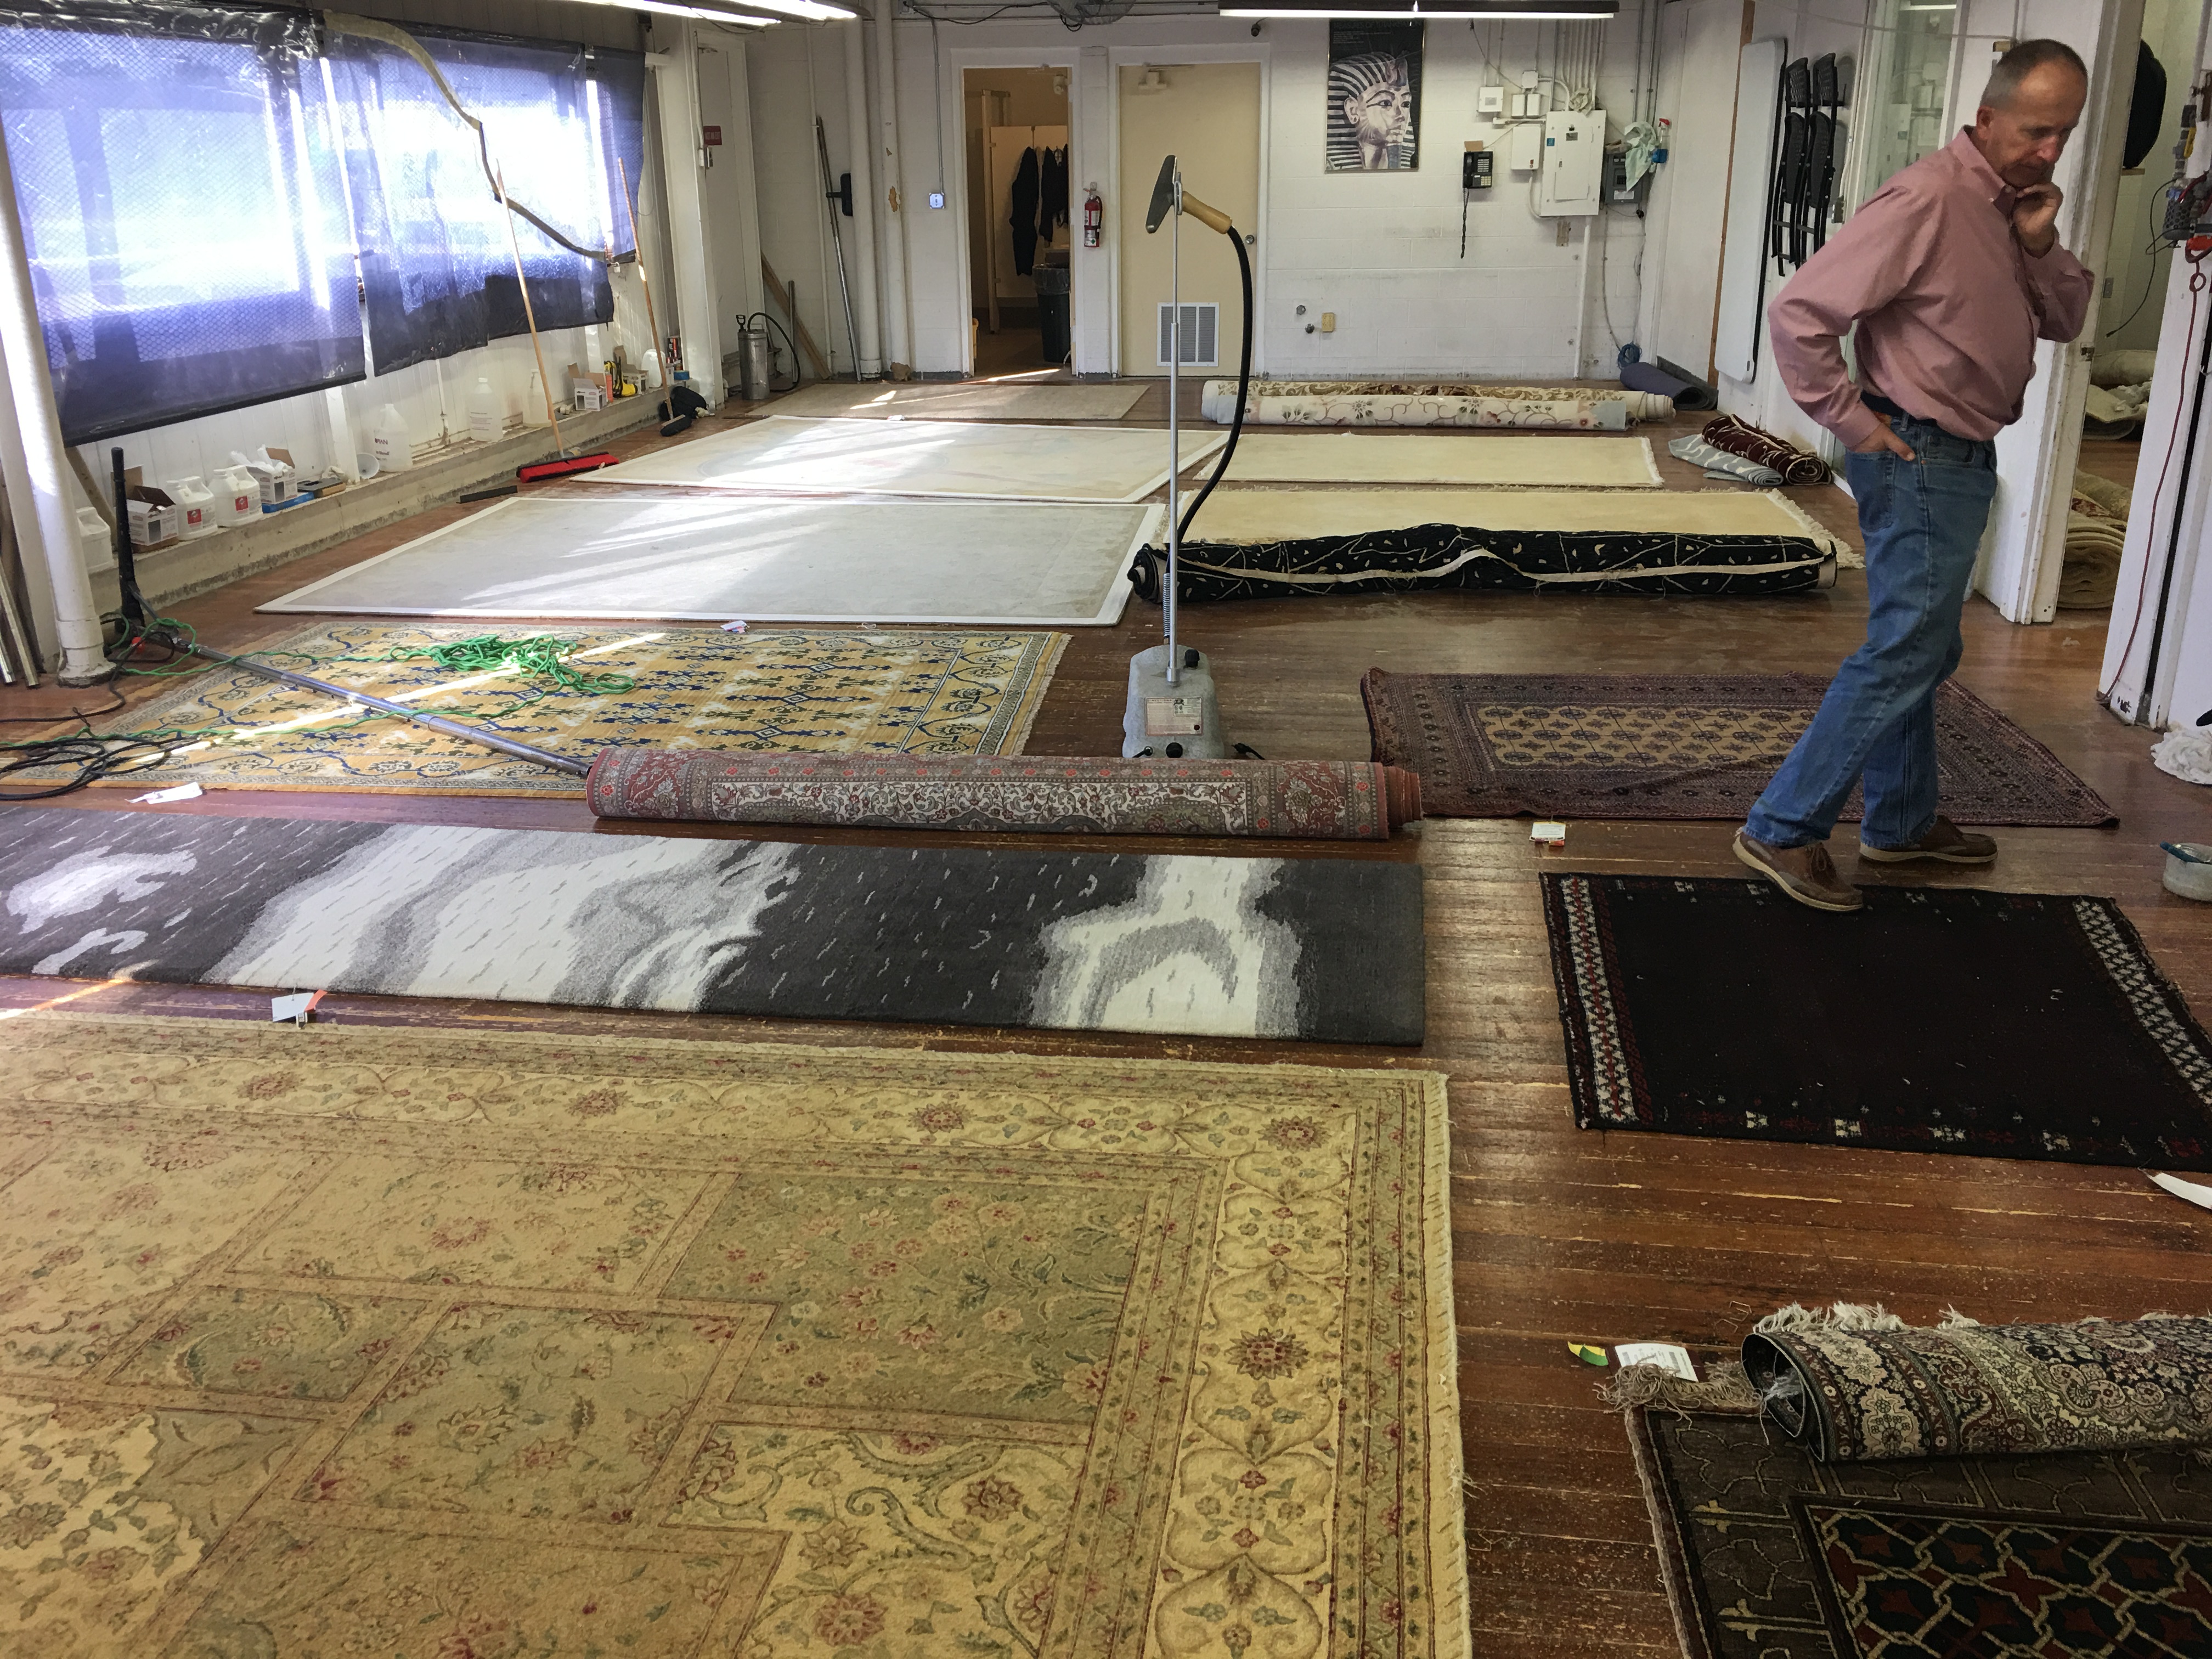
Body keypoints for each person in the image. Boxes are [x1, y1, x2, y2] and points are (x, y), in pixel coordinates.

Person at [1734, 38, 2095, 912]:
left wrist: (2040, 244)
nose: (2050, 150)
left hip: (1961, 455)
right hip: (1917, 452)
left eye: (2065, 133)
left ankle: (1900, 821)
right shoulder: (1929, 199)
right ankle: (1783, 826)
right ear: (1987, 118)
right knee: (1908, 648)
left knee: (1923, 644)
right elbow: (1800, 312)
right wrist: (1854, 422)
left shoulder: (2013, 211)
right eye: (2036, 131)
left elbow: (2067, 320)